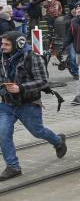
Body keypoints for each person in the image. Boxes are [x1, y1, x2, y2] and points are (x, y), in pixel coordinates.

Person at [0, 31, 67, 181]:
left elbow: (43, 81)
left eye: (6, 44)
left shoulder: (32, 57)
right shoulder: (2, 57)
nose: (3, 47)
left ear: (19, 44)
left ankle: (58, 141)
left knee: (37, 131)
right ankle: (13, 167)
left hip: (28, 103)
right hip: (6, 104)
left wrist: (21, 88)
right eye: (2, 44)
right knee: (3, 134)